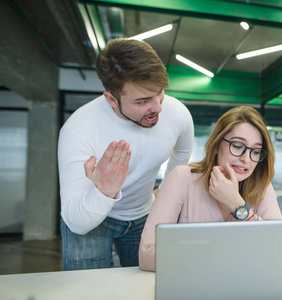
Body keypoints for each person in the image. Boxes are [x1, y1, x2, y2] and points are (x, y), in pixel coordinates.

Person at [58, 38, 194, 270]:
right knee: (86, 290)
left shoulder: (177, 113)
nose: (158, 107)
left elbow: (181, 155)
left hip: (144, 214)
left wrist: (164, 194)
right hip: (91, 218)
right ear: (111, 99)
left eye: (160, 93)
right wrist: (105, 190)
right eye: (142, 101)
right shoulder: (78, 129)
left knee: (148, 287)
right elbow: (77, 223)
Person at [139, 106, 282, 271]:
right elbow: (147, 255)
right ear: (216, 145)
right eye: (237, 145)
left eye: (255, 151)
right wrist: (224, 258)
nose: (245, 159)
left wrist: (236, 205)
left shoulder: (262, 186)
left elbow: (277, 251)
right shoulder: (182, 178)